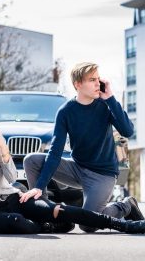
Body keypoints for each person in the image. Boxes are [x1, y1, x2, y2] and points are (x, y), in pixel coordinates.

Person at [0, 122, 145, 235]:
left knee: (60, 209)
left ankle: (124, 225)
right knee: (20, 222)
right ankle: (49, 223)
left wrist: (5, 150)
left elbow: (12, 178)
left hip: (16, 198)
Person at [22, 62, 144, 232]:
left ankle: (126, 206)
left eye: (98, 79)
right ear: (78, 84)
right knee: (31, 160)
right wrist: (38, 187)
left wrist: (110, 99)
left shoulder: (106, 106)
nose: (97, 83)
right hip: (77, 169)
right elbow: (55, 151)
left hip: (103, 174)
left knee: (88, 224)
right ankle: (45, 213)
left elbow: (128, 131)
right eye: (92, 79)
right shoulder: (66, 111)